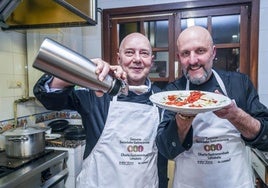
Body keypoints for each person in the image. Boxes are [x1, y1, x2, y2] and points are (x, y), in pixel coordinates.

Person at [33, 32, 168, 188]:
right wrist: (85, 70)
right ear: (119, 59)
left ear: (151, 61)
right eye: (129, 52)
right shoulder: (95, 91)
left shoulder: (163, 100)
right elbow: (47, 96)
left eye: (144, 53)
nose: (137, 59)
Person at [156, 26, 268, 188]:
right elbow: (166, 149)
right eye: (186, 53)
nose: (193, 60)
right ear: (179, 57)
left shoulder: (239, 84)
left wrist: (234, 115)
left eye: (200, 51)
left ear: (213, 52)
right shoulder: (173, 93)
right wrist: (184, 116)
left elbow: (266, 138)